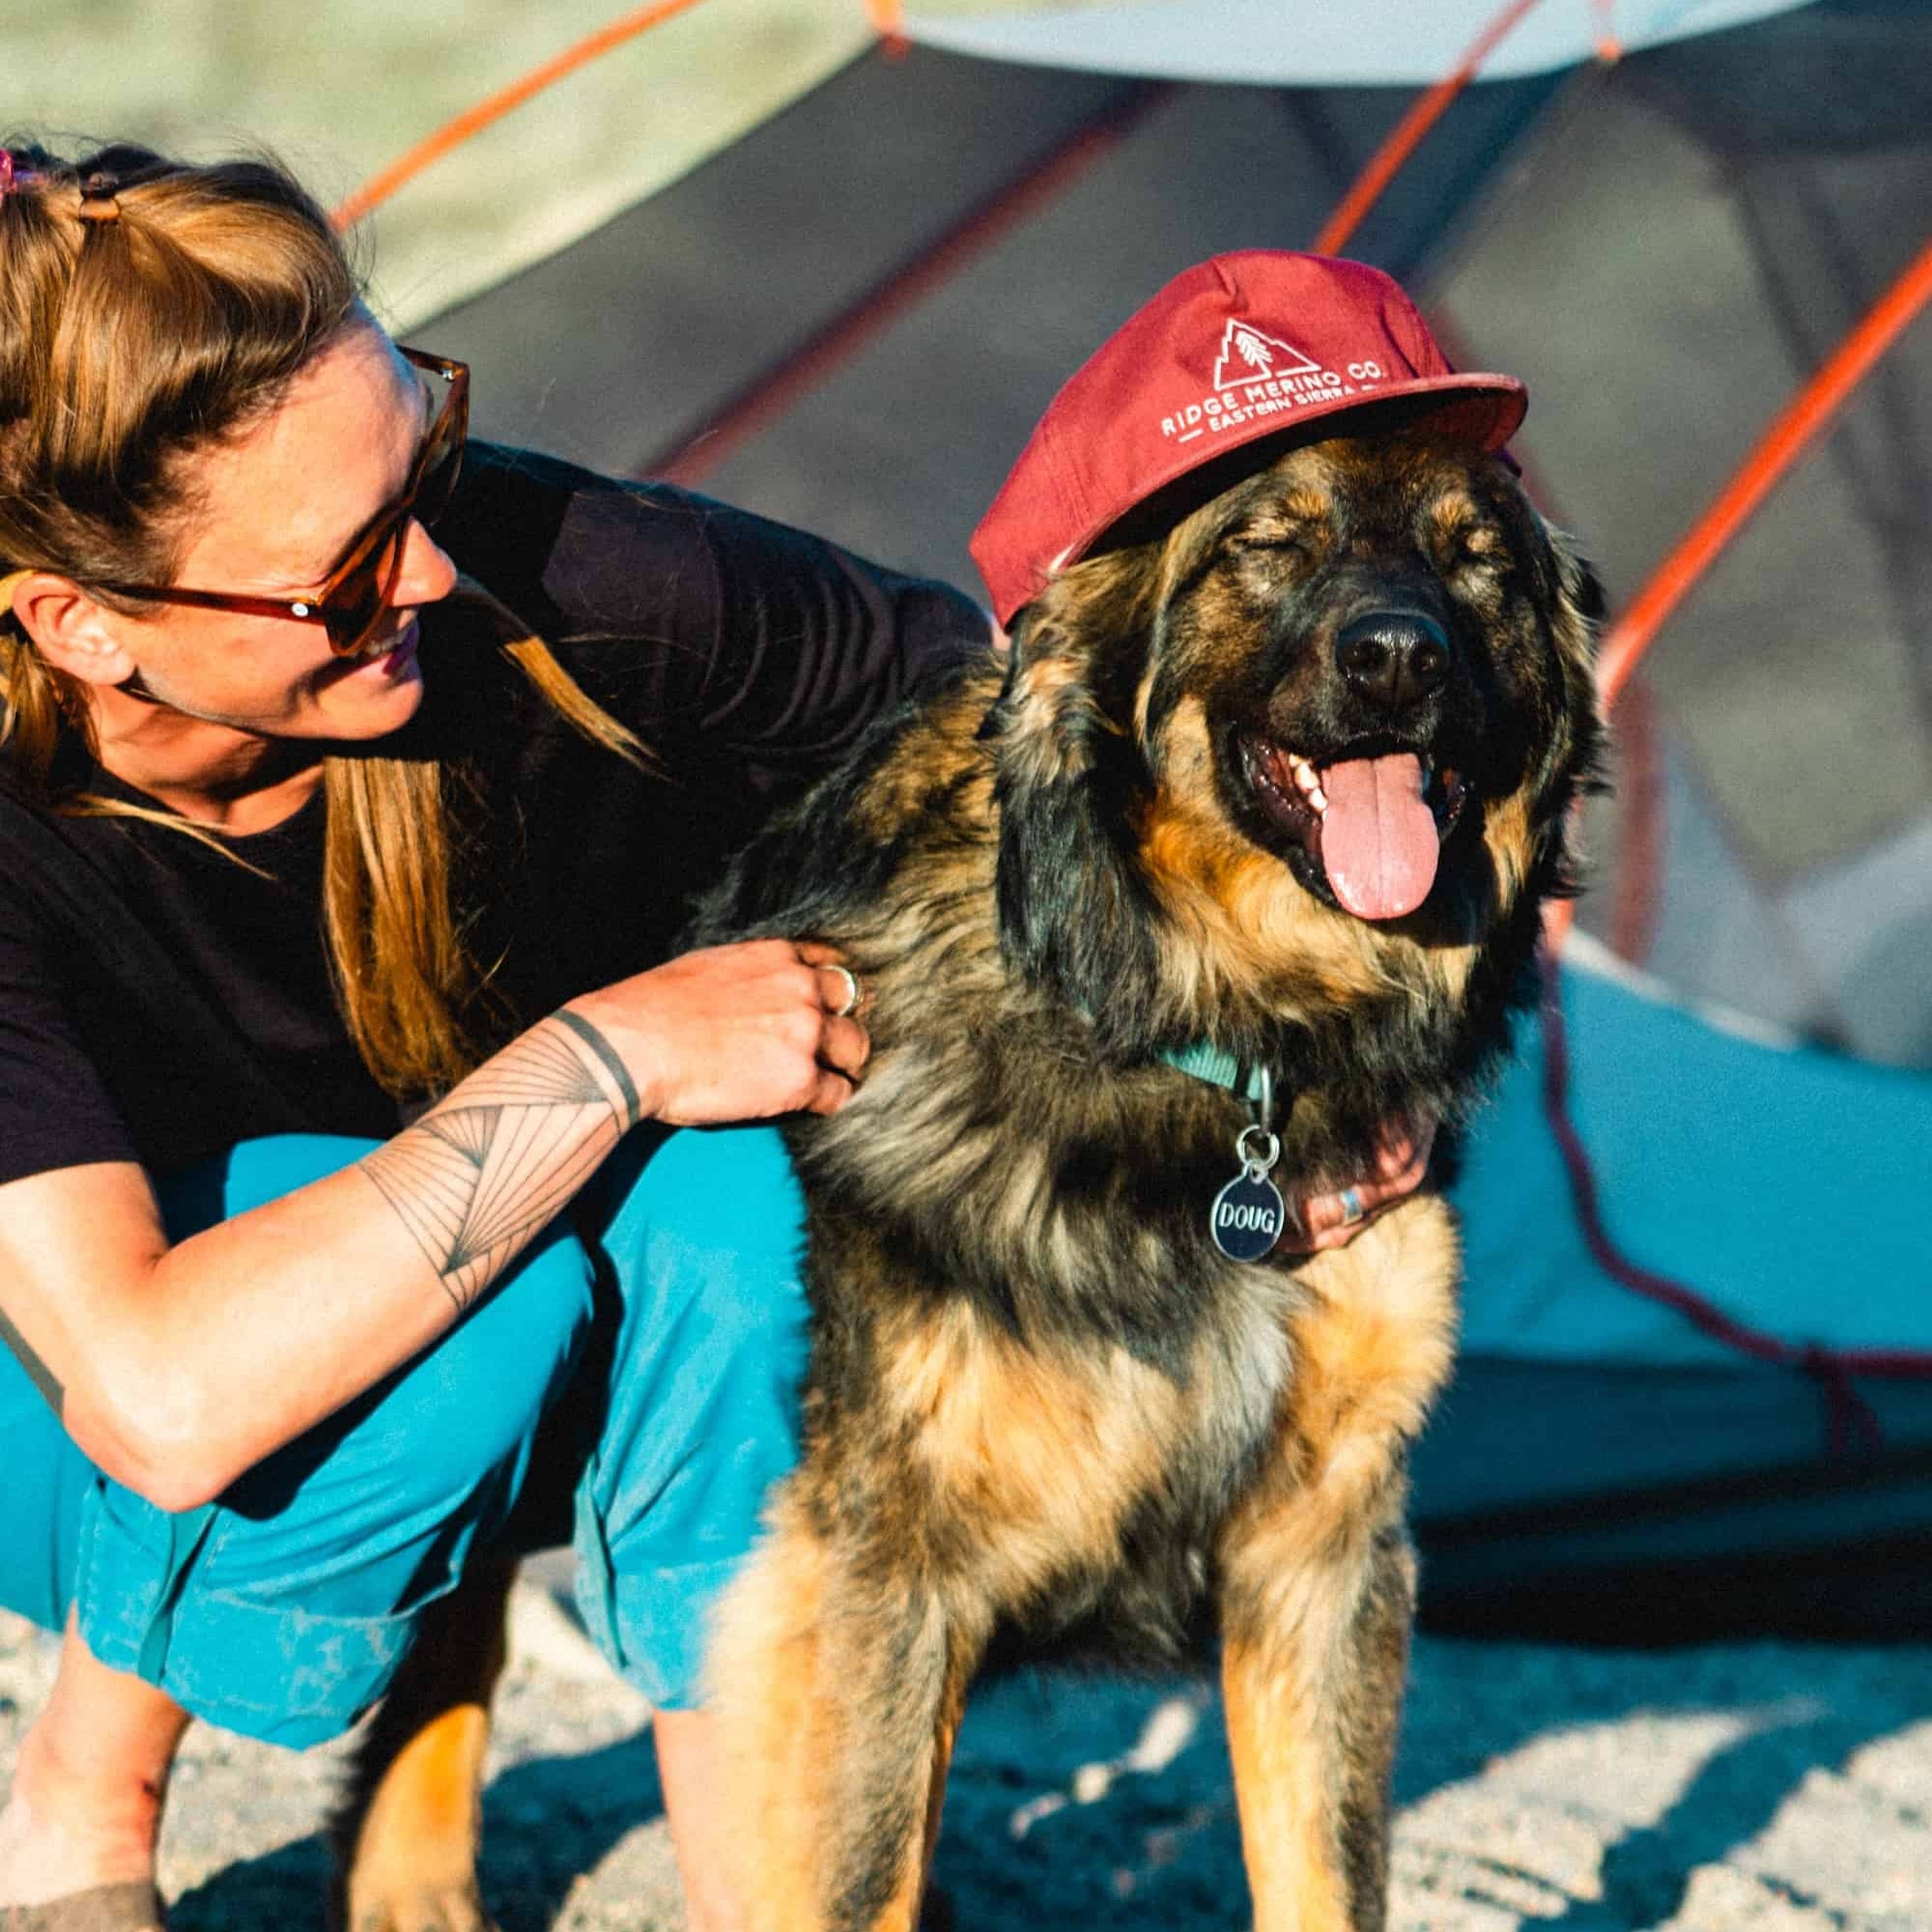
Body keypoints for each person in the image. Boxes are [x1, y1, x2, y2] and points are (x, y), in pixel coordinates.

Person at [0, 141, 1432, 1931]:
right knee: (470, 1247)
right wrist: (608, 1055)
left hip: (548, 1317)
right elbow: (154, 1395)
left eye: (423, 461)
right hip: (81, 1445)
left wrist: (1274, 1093)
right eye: (342, 573)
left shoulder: (535, 578)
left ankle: (769, 1872)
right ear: (80, 627)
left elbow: (1014, 732)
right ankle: (82, 1799)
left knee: (758, 1209)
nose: (435, 574)